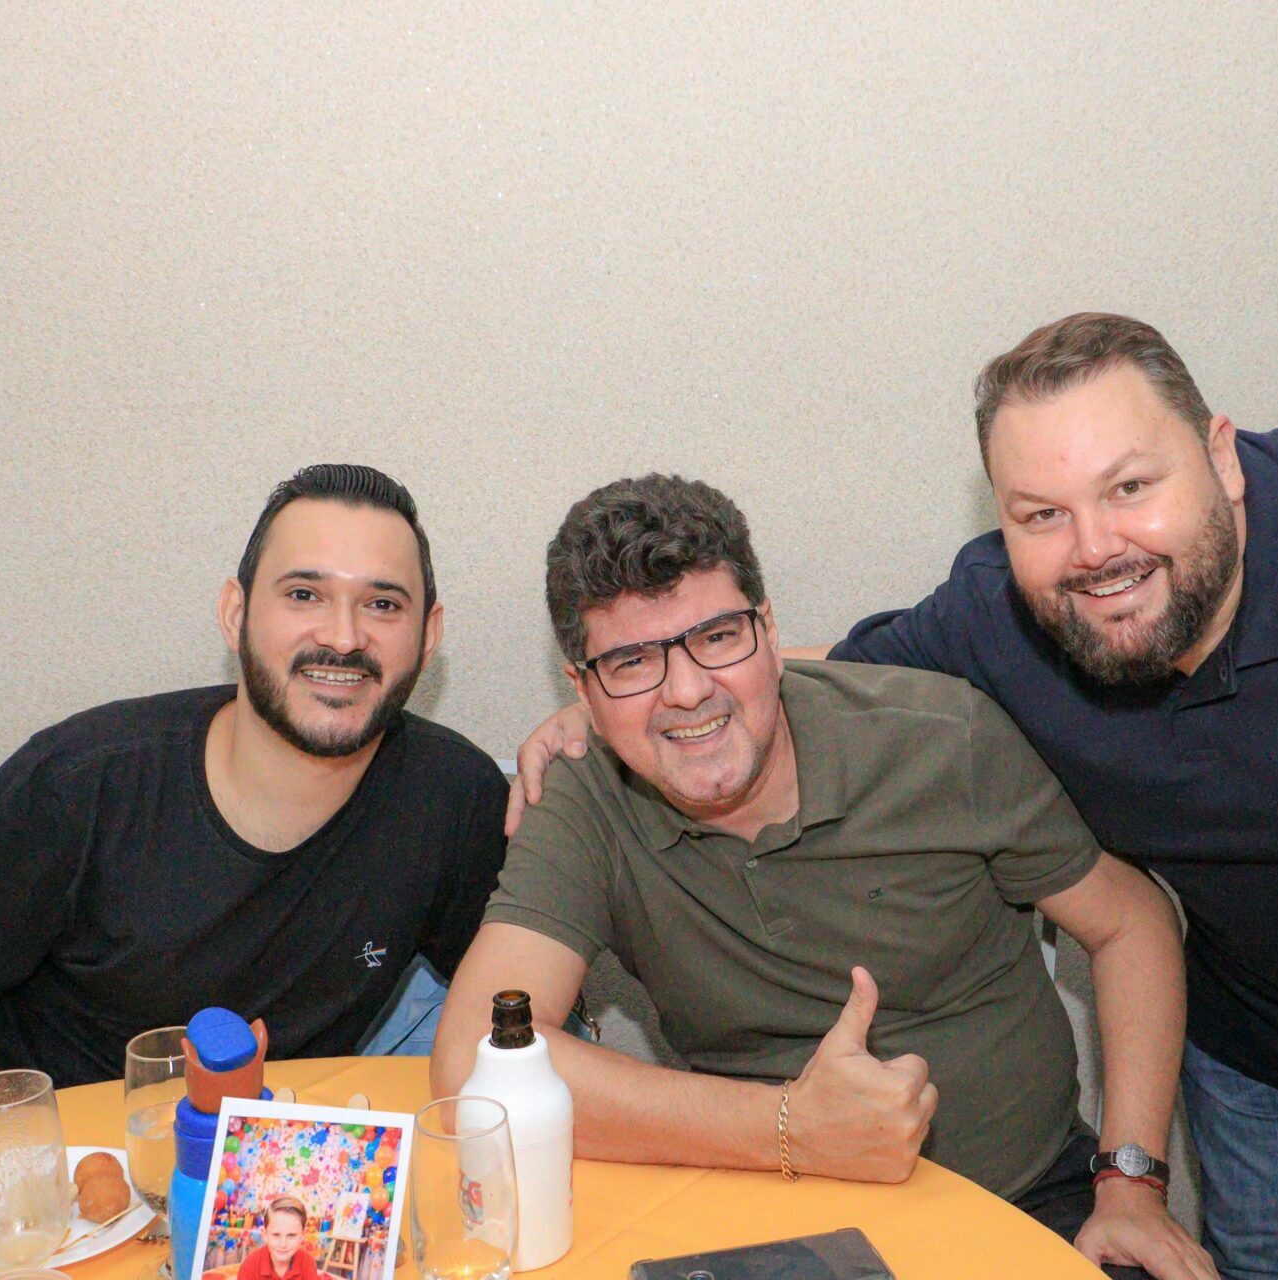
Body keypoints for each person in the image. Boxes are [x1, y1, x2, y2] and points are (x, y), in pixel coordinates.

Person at [506, 315, 1278, 1280]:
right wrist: (640, 699)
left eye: (1131, 486)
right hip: (1269, 1044)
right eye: (1040, 512)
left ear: (1223, 453)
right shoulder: (1006, 617)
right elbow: (829, 677)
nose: (1094, 548)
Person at [435, 475, 1215, 1280]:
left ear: (770, 633)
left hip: (1026, 1198)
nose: (688, 690)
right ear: (583, 690)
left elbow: (1131, 923)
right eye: (632, 661)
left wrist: (1131, 1184)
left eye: (718, 637)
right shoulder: (584, 797)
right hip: (765, 1217)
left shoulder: (939, 740)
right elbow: (471, 1062)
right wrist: (789, 1127)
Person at [0, 464, 508, 1161]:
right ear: (235, 614)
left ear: (428, 635)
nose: (343, 638)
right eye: (303, 594)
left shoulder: (453, 800)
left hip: (231, 1192)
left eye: (383, 605)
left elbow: (522, 1013)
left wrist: (571, 760)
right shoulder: (88, 782)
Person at [235, 1197, 320, 1280]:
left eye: (291, 1235)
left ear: (303, 1235)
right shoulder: (250, 1266)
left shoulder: (307, 1264)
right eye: (276, 1235)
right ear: (265, 1234)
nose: (283, 1244)